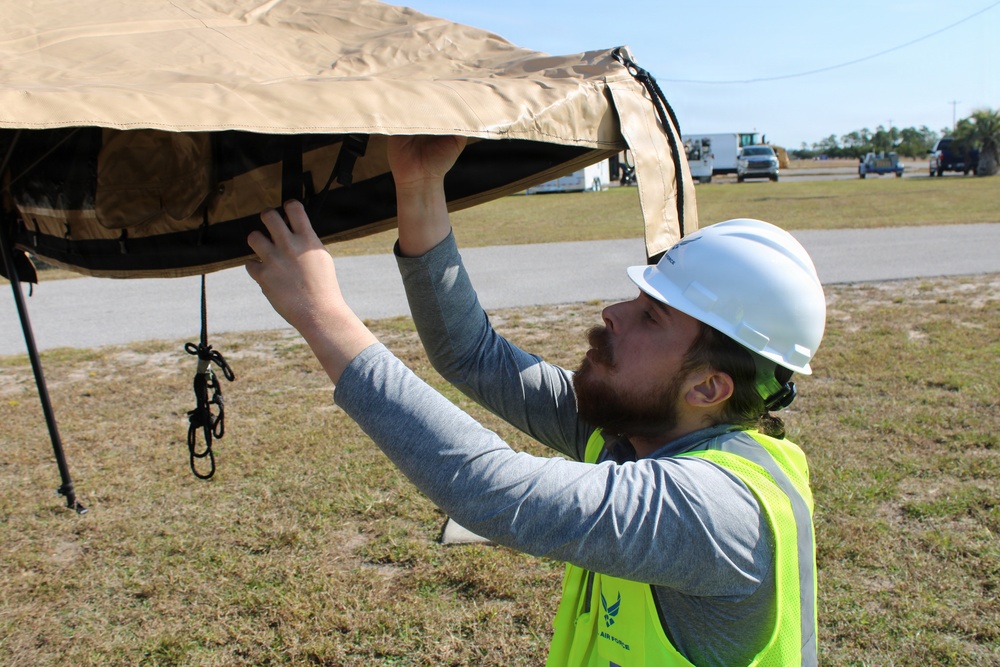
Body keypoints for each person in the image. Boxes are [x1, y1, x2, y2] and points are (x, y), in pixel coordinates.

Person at [245, 135, 826, 667]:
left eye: (651, 316)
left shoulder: (712, 511)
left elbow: (487, 489)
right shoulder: (639, 435)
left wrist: (323, 317)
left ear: (706, 388)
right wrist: (419, 185)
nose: (613, 312)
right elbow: (471, 354)